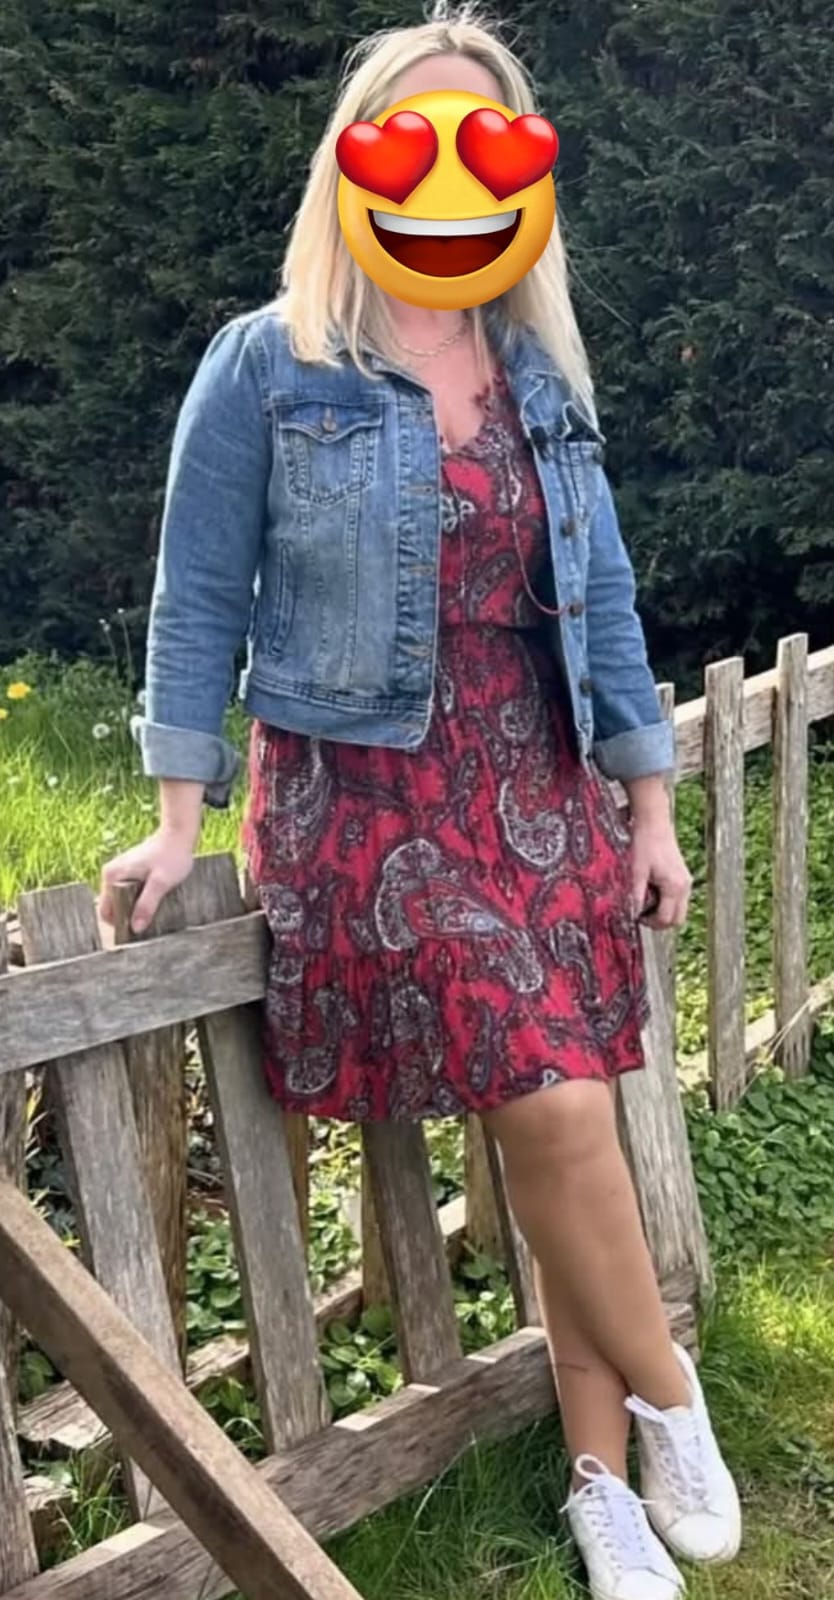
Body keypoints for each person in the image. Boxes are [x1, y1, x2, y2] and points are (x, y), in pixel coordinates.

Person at [99, 6, 740, 1596]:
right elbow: (195, 597)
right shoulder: (269, 363)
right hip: (368, 792)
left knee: (557, 1115)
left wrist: (648, 809)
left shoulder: (537, 373)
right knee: (554, 1106)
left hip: (537, 779)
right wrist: (177, 816)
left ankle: (600, 1485)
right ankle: (671, 1391)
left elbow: (602, 602)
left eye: (485, 147)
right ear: (354, 166)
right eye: (413, 144)